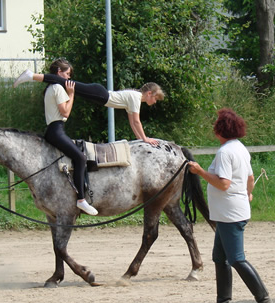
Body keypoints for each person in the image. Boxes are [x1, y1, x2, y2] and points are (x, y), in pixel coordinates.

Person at [187, 108, 275, 303]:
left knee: (236, 259)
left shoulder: (225, 152)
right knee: (220, 257)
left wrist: (199, 171)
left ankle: (265, 302)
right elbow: (250, 178)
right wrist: (247, 194)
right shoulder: (240, 148)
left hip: (230, 214)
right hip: (228, 213)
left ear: (221, 130)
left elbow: (224, 183)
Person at [13, 64, 165, 146]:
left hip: (100, 96)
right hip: (100, 94)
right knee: (66, 83)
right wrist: (145, 139)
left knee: (66, 83)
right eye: (156, 98)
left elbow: (132, 122)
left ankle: (31, 76)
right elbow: (137, 121)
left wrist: (140, 139)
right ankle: (31, 75)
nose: (155, 102)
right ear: (149, 93)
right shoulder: (136, 97)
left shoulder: (135, 98)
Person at [42, 58, 98, 216]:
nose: (68, 78)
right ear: (59, 73)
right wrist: (71, 94)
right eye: (67, 74)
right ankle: (81, 199)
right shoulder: (58, 89)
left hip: (55, 129)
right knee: (80, 158)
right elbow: (65, 112)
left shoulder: (50, 88)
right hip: (56, 130)